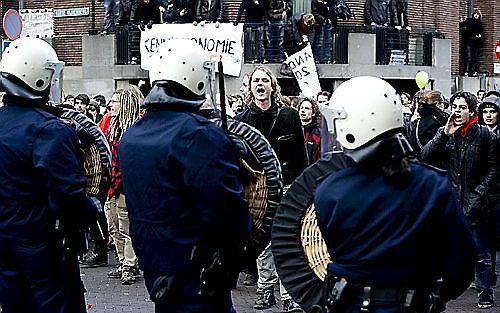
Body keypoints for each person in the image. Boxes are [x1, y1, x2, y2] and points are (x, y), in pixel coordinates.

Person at [316, 76, 476, 313]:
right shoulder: (432, 185)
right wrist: (432, 294)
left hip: (349, 304)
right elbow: (461, 263)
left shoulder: (328, 190)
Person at [119, 39, 251, 313]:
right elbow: (226, 211)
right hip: (197, 270)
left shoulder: (132, 135)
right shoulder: (198, 134)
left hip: (156, 265)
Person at [0, 37, 100, 312]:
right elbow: (68, 194)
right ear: (38, 77)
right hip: (41, 244)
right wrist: (91, 208)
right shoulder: (49, 130)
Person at [235, 66, 307, 312]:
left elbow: (302, 155)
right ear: (251, 87)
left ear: (272, 86)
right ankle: (266, 290)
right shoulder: (243, 119)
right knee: (263, 241)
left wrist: (303, 187)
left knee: (288, 240)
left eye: (265, 80)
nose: (260, 84)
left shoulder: (290, 116)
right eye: (256, 80)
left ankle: (289, 295)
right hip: (259, 190)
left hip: (288, 185)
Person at [422, 91, 498, 309]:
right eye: (454, 106)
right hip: (451, 202)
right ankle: (441, 293)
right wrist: (444, 134)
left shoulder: (485, 135)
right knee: (445, 250)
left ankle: (485, 292)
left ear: (472, 111)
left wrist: (478, 196)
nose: (457, 110)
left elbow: (493, 170)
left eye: (462, 107)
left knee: (481, 253)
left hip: (477, 203)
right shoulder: (446, 132)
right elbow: (425, 155)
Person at [102, 87, 142, 285]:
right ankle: (121, 261)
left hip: (128, 186)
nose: (111, 104)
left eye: (115, 101)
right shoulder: (111, 125)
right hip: (112, 184)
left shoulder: (137, 128)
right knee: (113, 226)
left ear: (126, 103)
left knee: (127, 229)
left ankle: (129, 265)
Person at [477, 94, 500, 291]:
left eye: (492, 111)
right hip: (484, 194)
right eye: (485, 111)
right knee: (486, 240)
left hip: (497, 191)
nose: (488, 115)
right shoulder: (479, 133)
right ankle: (488, 276)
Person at [405, 91, 448, 158]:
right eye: (443, 103)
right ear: (438, 104)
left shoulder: (418, 121)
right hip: (433, 164)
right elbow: (438, 150)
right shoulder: (435, 123)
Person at [460, 9, 483, 76]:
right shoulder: (469, 21)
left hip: (476, 44)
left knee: (475, 58)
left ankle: (473, 71)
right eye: (475, 14)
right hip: (469, 42)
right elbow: (462, 24)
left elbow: (481, 33)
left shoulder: (480, 24)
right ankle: (466, 71)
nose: (476, 15)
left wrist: (479, 36)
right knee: (468, 57)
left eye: (477, 14)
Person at [299, 98, 321, 163]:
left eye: (307, 108)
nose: (303, 110)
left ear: (313, 113)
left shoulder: (317, 134)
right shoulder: (294, 130)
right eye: (301, 108)